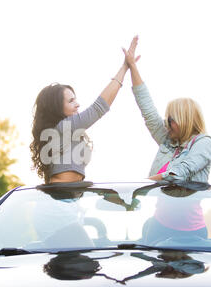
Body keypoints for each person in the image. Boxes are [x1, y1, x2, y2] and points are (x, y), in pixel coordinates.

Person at [123, 36, 211, 243]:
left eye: (171, 119)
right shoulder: (169, 140)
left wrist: (136, 185)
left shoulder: (204, 143)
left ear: (184, 119)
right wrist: (131, 66)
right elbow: (146, 107)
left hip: (191, 233)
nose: (166, 124)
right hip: (158, 227)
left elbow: (177, 174)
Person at [30, 38, 140, 184]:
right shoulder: (63, 127)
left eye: (75, 99)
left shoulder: (65, 131)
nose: (77, 104)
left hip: (71, 194)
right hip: (61, 194)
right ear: (56, 107)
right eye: (71, 101)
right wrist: (125, 67)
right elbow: (99, 107)